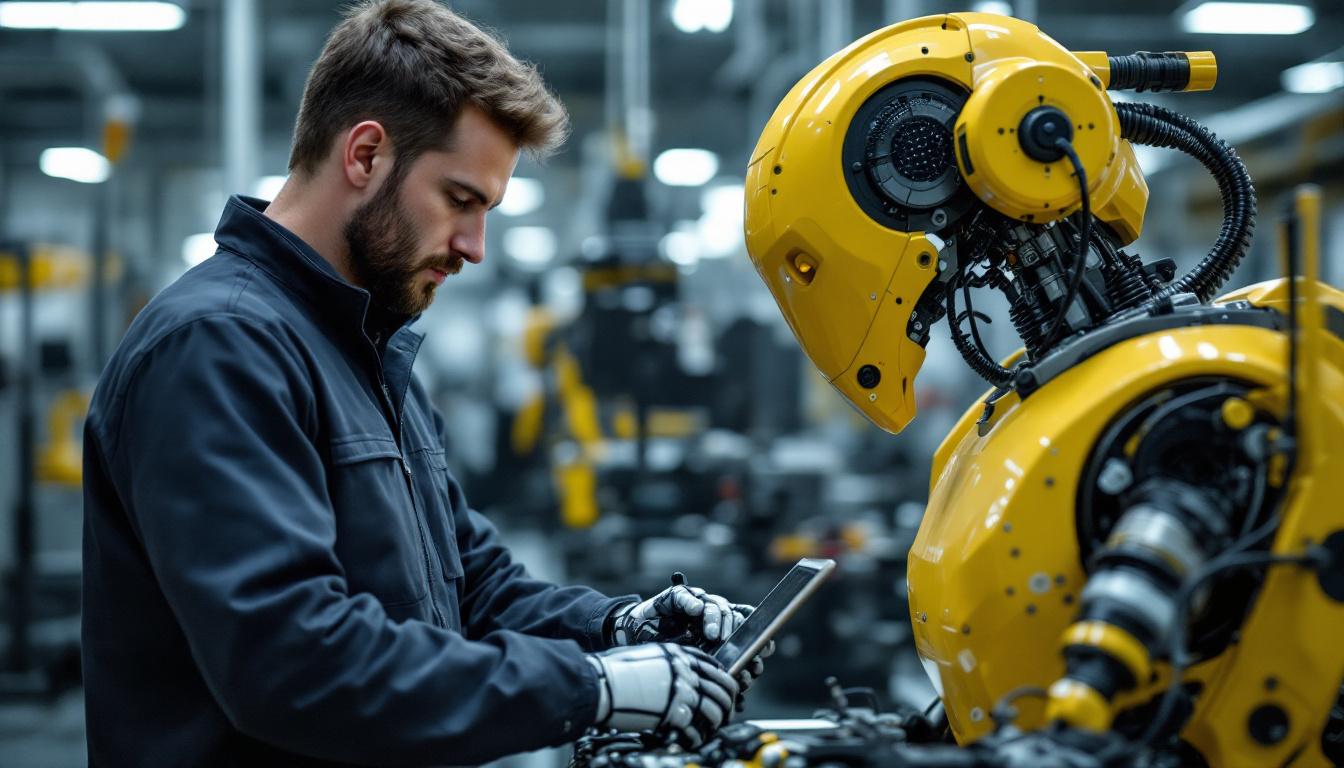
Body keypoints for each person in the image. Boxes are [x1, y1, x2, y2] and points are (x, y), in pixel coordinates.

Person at [81, 1, 766, 765]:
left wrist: (618, 629)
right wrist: (591, 686)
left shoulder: (368, 351)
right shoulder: (219, 346)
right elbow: (291, 662)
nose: (474, 247)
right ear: (366, 155)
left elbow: (469, 585)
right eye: (461, 201)